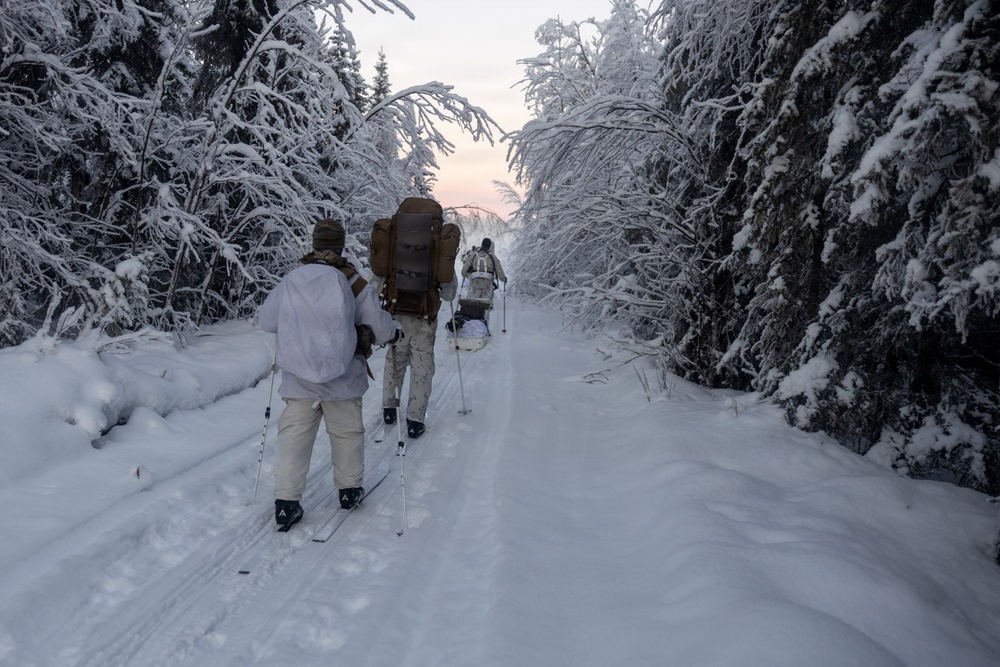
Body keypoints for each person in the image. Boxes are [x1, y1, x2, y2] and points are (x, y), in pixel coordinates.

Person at [259, 218, 401, 527]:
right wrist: (393, 334)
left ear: (314, 243)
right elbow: (378, 326)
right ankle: (349, 492)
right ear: (341, 244)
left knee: (294, 440)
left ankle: (286, 503)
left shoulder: (292, 279)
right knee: (347, 434)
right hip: (343, 379)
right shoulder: (354, 282)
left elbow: (267, 321)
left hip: (299, 380)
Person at [381, 260, 457, 440]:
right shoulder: (437, 245)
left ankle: (389, 410)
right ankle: (415, 421)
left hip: (397, 312)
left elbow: (375, 282)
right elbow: (449, 294)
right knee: (422, 368)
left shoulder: (394, 242)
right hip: (424, 318)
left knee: (395, 361)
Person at [461, 238, 506, 303]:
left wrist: (464, 274)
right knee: (485, 304)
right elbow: (499, 270)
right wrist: (503, 279)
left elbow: (466, 266)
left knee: (472, 303)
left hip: (475, 282)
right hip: (487, 283)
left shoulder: (474, 255)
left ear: (482, 245)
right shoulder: (492, 257)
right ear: (489, 246)